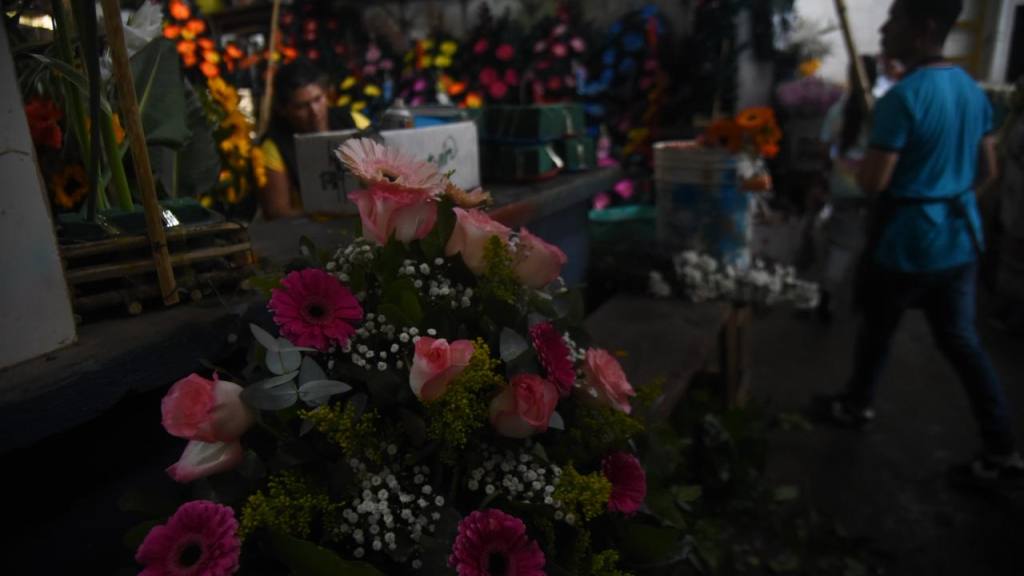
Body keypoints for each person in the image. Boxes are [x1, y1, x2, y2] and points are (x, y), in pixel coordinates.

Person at [819, 0, 1022, 485]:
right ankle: (1002, 448)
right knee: (961, 341)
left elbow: (873, 183)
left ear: (923, 28)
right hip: (960, 239)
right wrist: (947, 196)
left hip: (907, 244)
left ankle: (856, 404)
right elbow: (987, 171)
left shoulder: (902, 98)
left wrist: (863, 162)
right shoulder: (974, 93)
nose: (885, 30)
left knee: (878, 328)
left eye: (895, 20)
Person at [816, 55, 881, 321]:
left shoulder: (837, 110)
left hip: (843, 185)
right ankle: (862, 299)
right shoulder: (880, 110)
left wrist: (825, 174)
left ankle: (827, 298)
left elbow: (823, 146)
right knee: (870, 245)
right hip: (872, 184)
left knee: (840, 245)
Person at [258, 60, 360, 219]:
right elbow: (277, 212)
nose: (314, 111)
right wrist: (324, 213)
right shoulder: (274, 147)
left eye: (318, 99)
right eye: (302, 107)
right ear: (283, 110)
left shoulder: (352, 121)